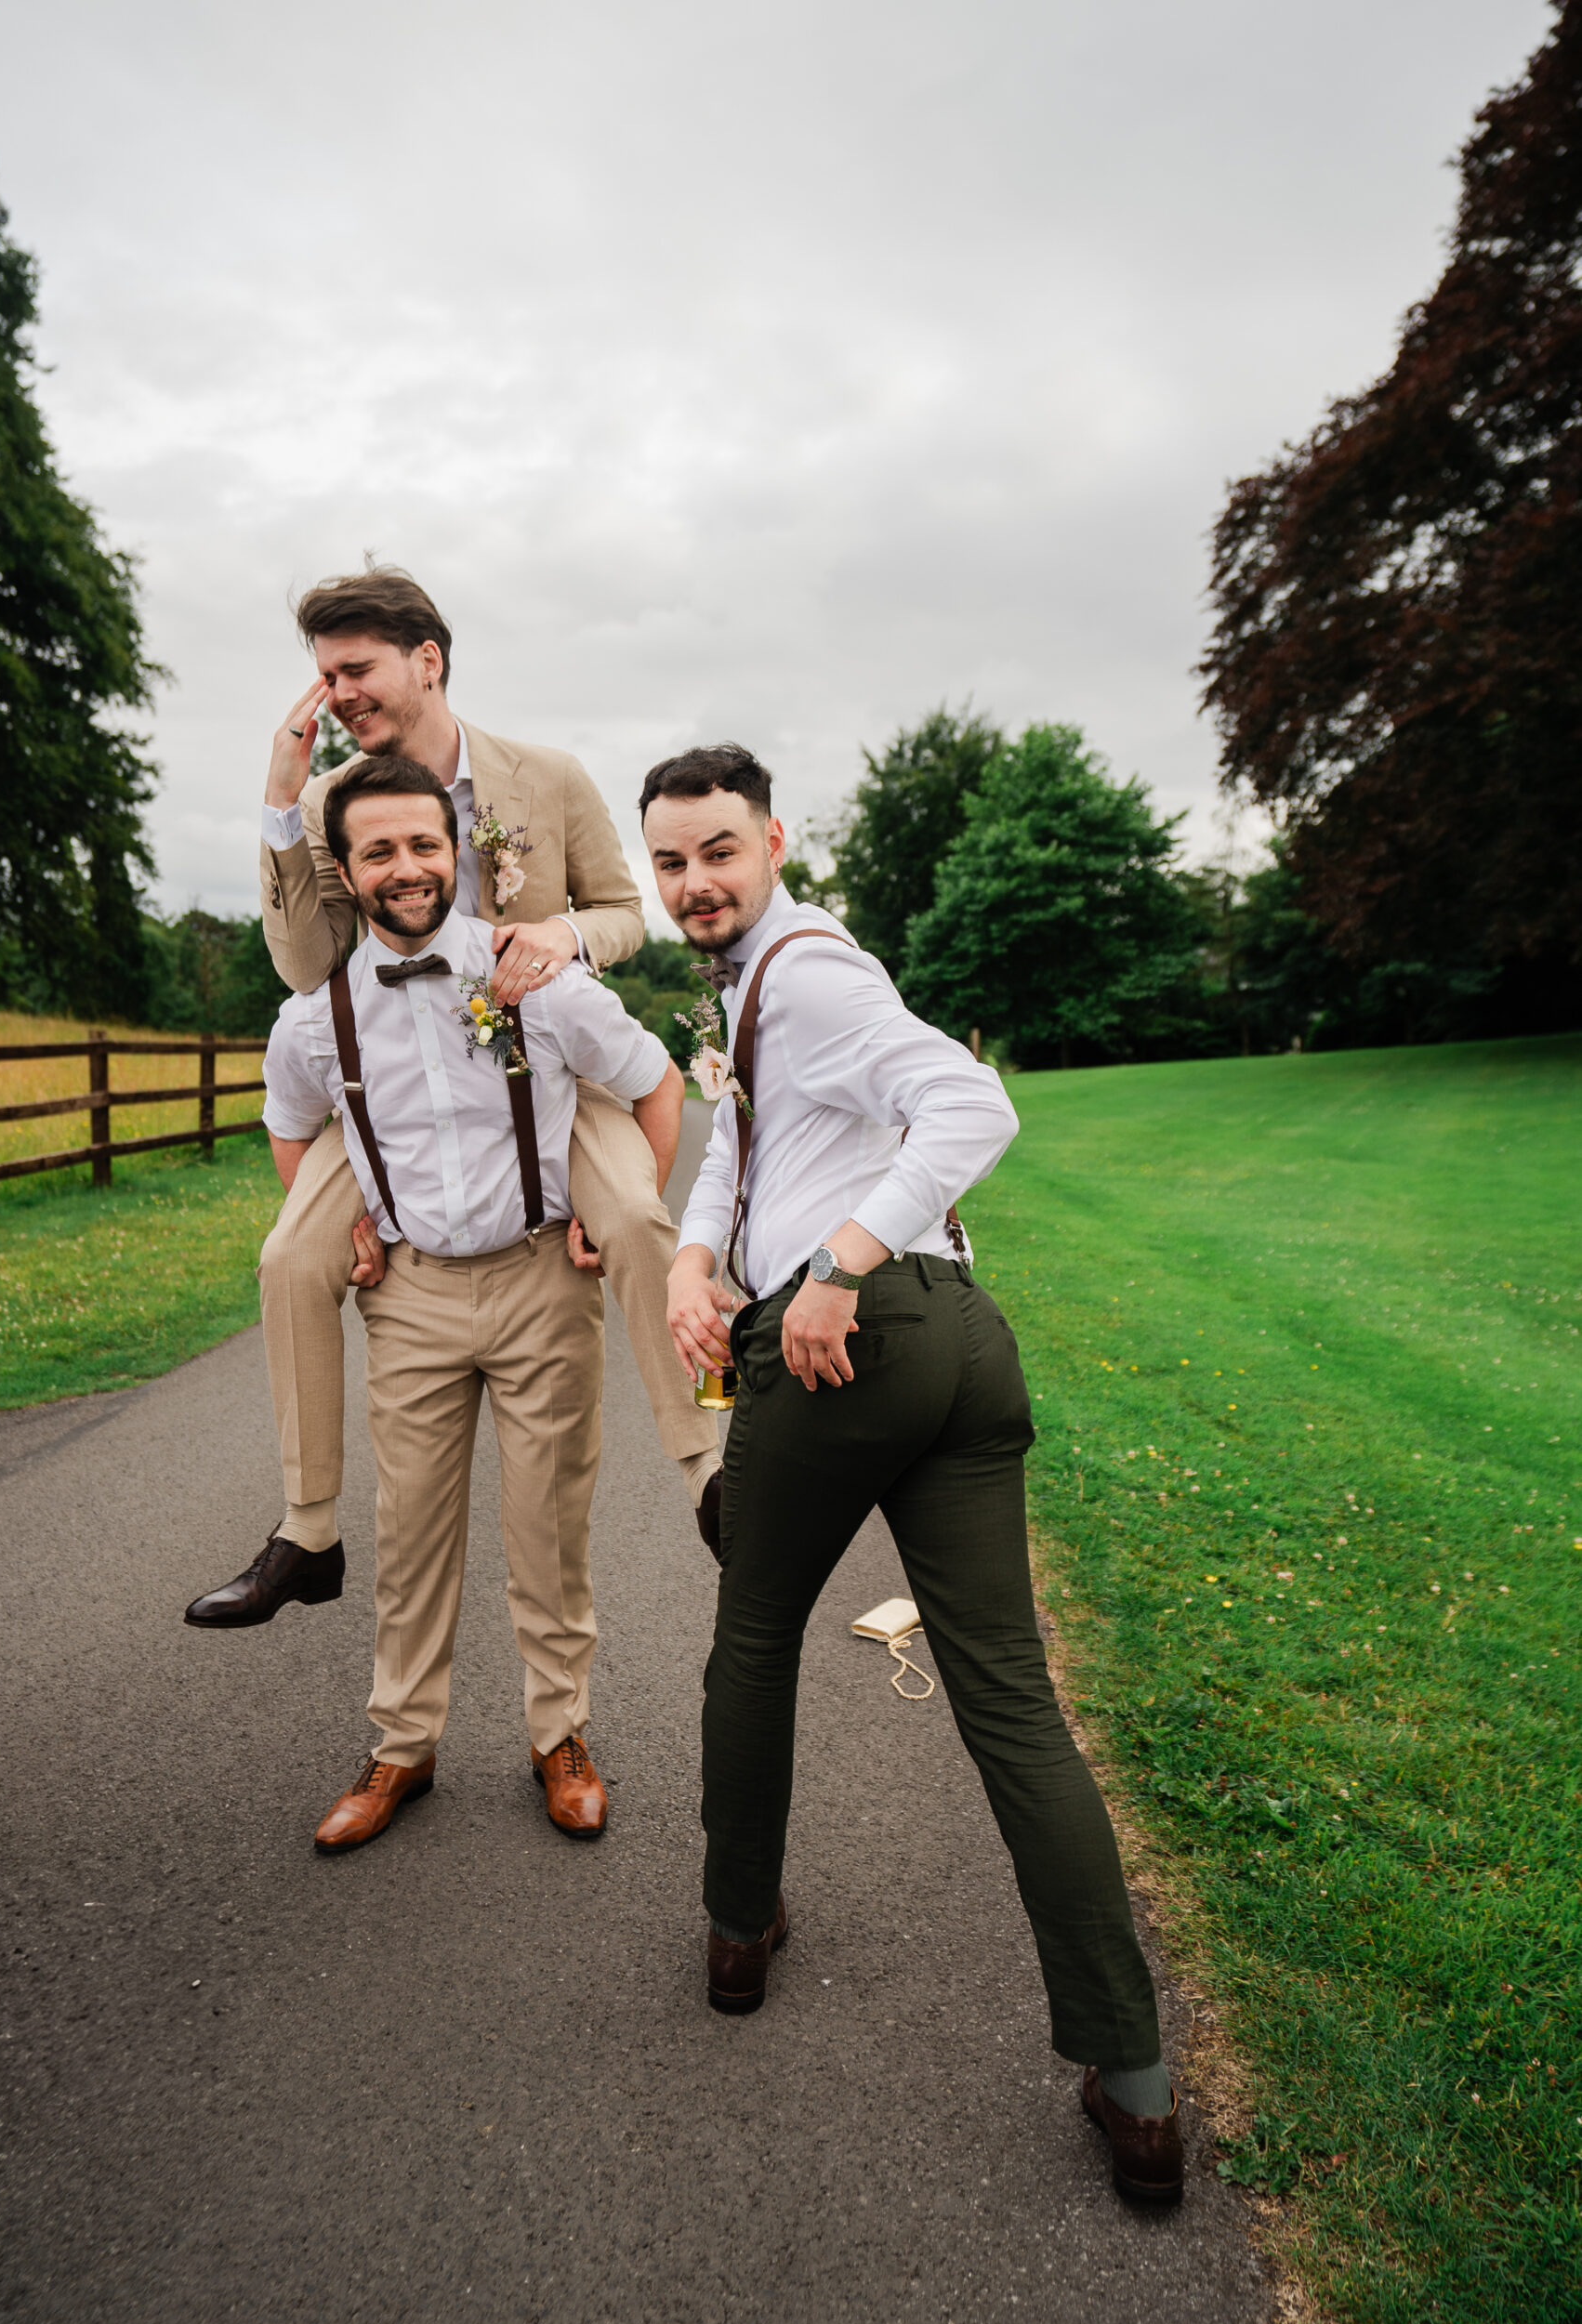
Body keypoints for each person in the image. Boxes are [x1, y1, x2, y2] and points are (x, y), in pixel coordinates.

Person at [646, 743, 1185, 2204]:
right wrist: (700, 1261)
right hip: (963, 1344)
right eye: (669, 863)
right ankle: (1132, 2086)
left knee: (752, 1635)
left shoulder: (808, 974)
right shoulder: (758, 987)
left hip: (853, 1344)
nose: (693, 883)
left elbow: (974, 1108)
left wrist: (829, 1270)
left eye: (716, 853)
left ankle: (738, 1930)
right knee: (1007, 1698)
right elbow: (741, 1153)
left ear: (770, 843)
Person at [186, 566, 719, 1633]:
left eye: (355, 668)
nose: (335, 692)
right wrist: (283, 803)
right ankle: (306, 1529)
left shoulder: (549, 776)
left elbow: (623, 911)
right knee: (292, 1253)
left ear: (426, 660)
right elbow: (303, 967)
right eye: (323, 675)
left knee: (635, 1217)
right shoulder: (336, 799)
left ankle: (713, 1467)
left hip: (546, 1060)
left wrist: (565, 936)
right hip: (394, 1078)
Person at [259, 752, 684, 1850]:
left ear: (456, 851)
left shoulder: (535, 975)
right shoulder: (316, 1017)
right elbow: (292, 1125)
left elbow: (653, 1081)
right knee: (411, 1535)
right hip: (412, 1296)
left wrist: (610, 1202)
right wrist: (345, 1225)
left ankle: (562, 1736)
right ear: (347, 873)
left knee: (550, 1525)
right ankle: (403, 1747)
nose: (406, 867)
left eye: (423, 844)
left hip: (542, 1275)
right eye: (379, 851)